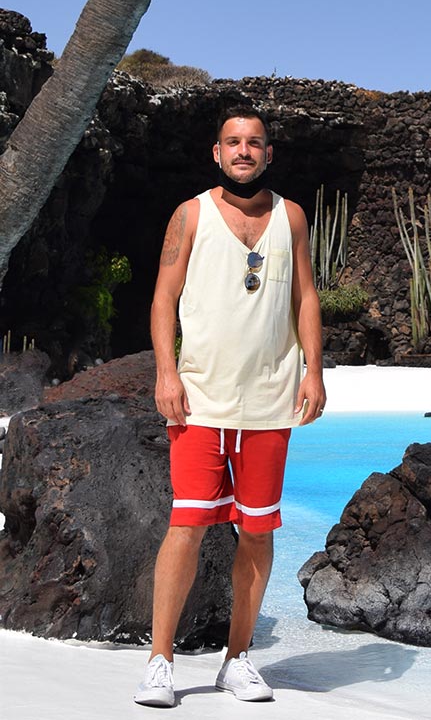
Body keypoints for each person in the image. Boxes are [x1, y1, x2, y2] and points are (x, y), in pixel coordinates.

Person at [134, 105, 327, 708]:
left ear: (268, 154)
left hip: (270, 402)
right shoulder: (190, 215)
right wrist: (166, 371)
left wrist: (313, 370)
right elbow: (163, 299)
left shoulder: (291, 217)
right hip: (199, 399)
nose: (244, 151)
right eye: (233, 142)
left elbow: (306, 297)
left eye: (255, 143)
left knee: (258, 532)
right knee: (187, 525)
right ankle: (159, 662)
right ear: (216, 153)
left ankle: (237, 659)